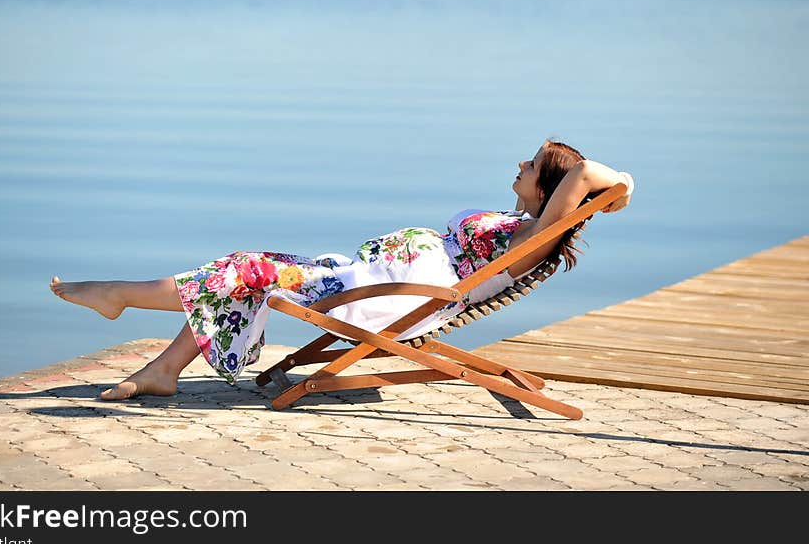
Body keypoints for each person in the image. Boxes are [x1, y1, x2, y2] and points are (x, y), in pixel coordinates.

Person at [49, 139, 634, 400]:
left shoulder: (532, 237)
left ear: (548, 186)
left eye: (531, 164)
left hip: (391, 298)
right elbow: (577, 181)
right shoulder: (518, 223)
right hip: (362, 276)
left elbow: (586, 177)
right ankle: (162, 370)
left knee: (247, 274)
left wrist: (622, 185)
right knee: (244, 267)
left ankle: (117, 293)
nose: (519, 164)